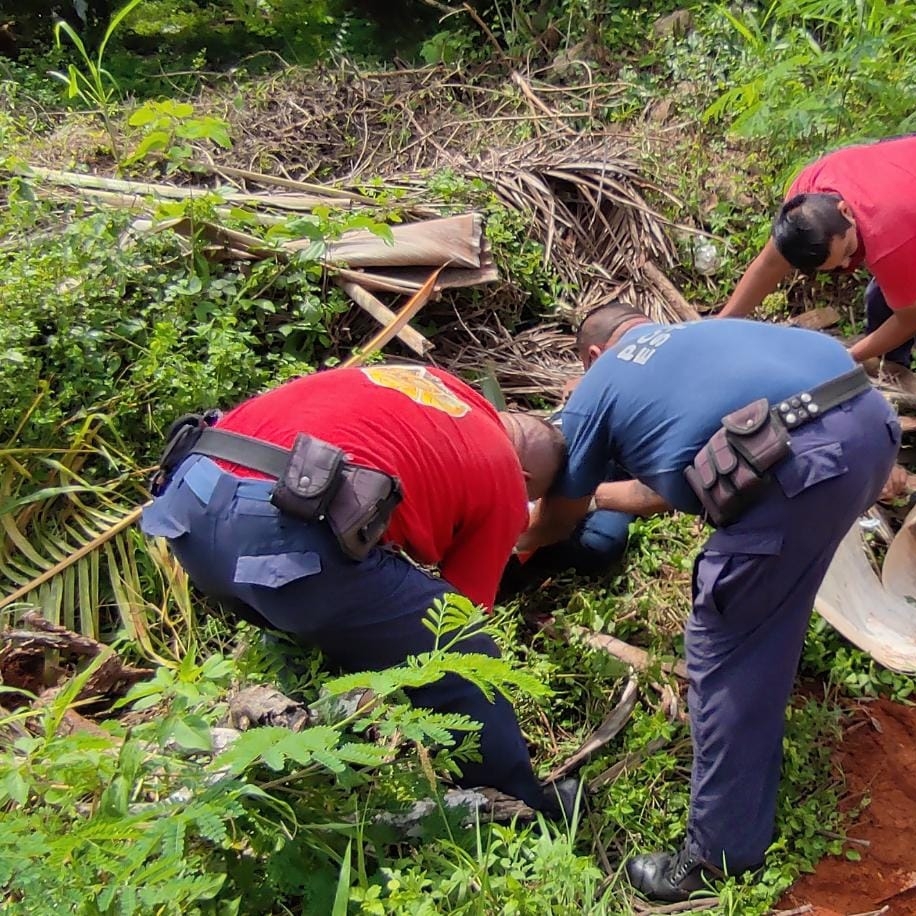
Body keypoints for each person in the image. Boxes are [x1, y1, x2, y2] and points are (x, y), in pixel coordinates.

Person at [517, 302, 900, 901]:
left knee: (726, 648)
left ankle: (718, 856)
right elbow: (673, 481)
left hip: (798, 465)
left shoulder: (597, 386)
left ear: (591, 356)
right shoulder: (697, 338)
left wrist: (523, 536)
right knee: (777, 585)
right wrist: (597, 502)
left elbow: (557, 519)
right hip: (869, 427)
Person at [140, 363, 570, 814]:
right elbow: (455, 614)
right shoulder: (504, 475)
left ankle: (304, 730)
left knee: (327, 619)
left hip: (188, 502)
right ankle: (515, 804)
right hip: (285, 538)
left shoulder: (428, 378)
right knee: (465, 653)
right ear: (526, 482)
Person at [718, 135, 916, 366]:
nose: (846, 265)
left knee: (888, 298)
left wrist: (844, 358)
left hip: (901, 214)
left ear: (846, 212)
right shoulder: (803, 201)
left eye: (847, 252)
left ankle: (893, 368)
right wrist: (721, 325)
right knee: (885, 295)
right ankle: (885, 361)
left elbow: (908, 319)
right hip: (901, 173)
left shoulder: (892, 244)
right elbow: (769, 264)